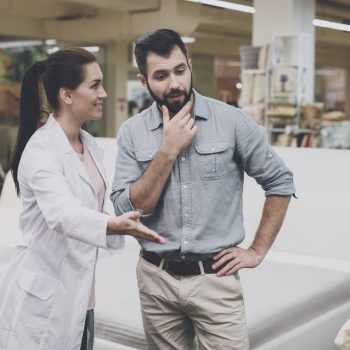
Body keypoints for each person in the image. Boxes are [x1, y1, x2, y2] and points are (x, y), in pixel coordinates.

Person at [110, 29, 295, 350]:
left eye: (180, 70)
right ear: (144, 82)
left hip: (215, 281)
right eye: (161, 75)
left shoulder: (232, 121)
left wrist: (257, 251)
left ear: (190, 65)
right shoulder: (132, 132)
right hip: (156, 279)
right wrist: (166, 151)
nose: (175, 83)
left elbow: (280, 182)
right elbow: (129, 209)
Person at [0, 47, 165, 350]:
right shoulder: (41, 150)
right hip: (45, 300)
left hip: (81, 293)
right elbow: (63, 213)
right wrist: (114, 225)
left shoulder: (87, 144)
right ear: (66, 95)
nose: (103, 93)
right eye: (94, 85)